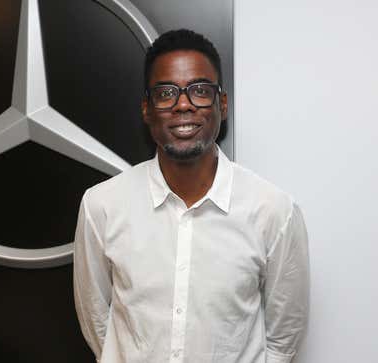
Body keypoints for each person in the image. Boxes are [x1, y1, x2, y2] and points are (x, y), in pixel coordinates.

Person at [73, 29, 310, 363]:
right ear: (147, 108)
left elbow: (284, 338)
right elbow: (97, 320)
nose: (183, 104)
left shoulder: (273, 210)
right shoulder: (102, 206)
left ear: (221, 104)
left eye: (199, 90)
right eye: (166, 93)